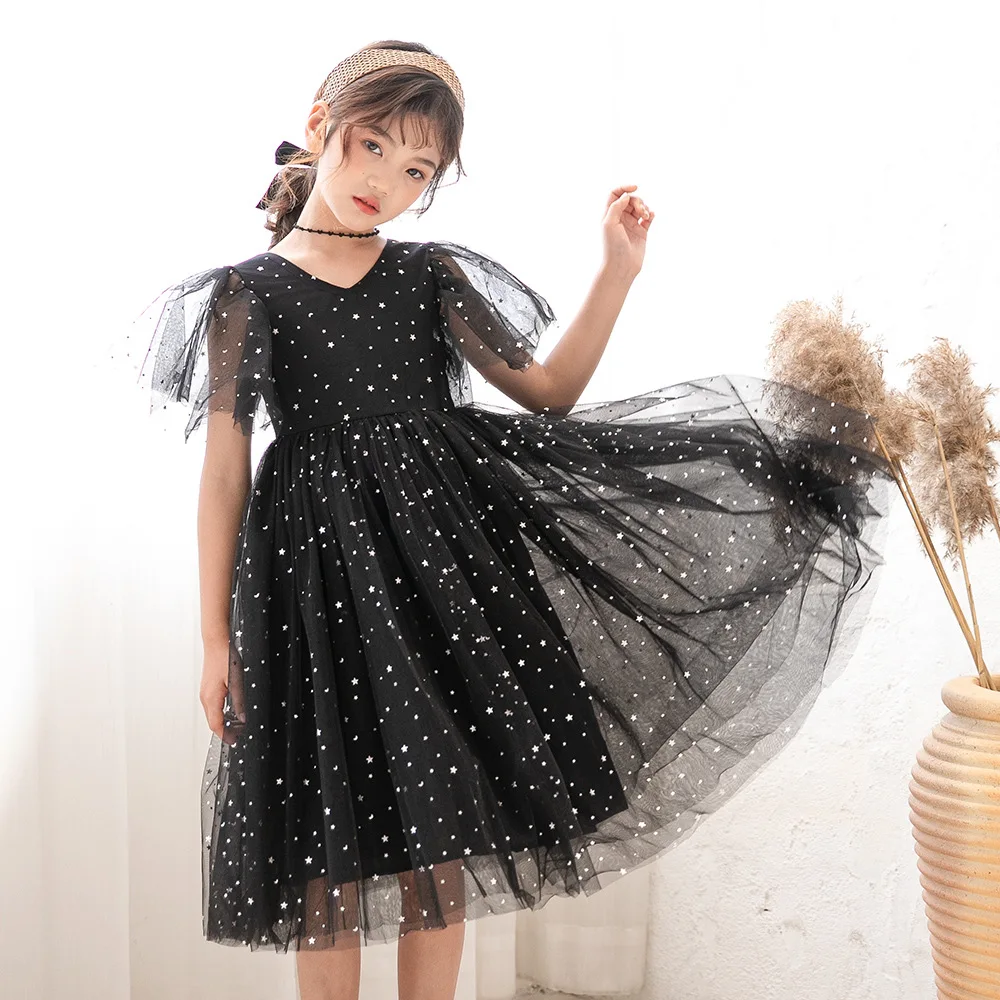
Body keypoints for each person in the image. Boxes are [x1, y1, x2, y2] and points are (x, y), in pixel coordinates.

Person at [129, 38, 893, 1000]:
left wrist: (617, 271)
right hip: (314, 586)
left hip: (439, 575)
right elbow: (223, 475)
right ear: (321, 126)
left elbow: (551, 392)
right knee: (328, 842)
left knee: (441, 825)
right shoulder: (249, 294)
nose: (386, 182)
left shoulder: (429, 275)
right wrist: (215, 638)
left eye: (418, 171)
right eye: (373, 147)